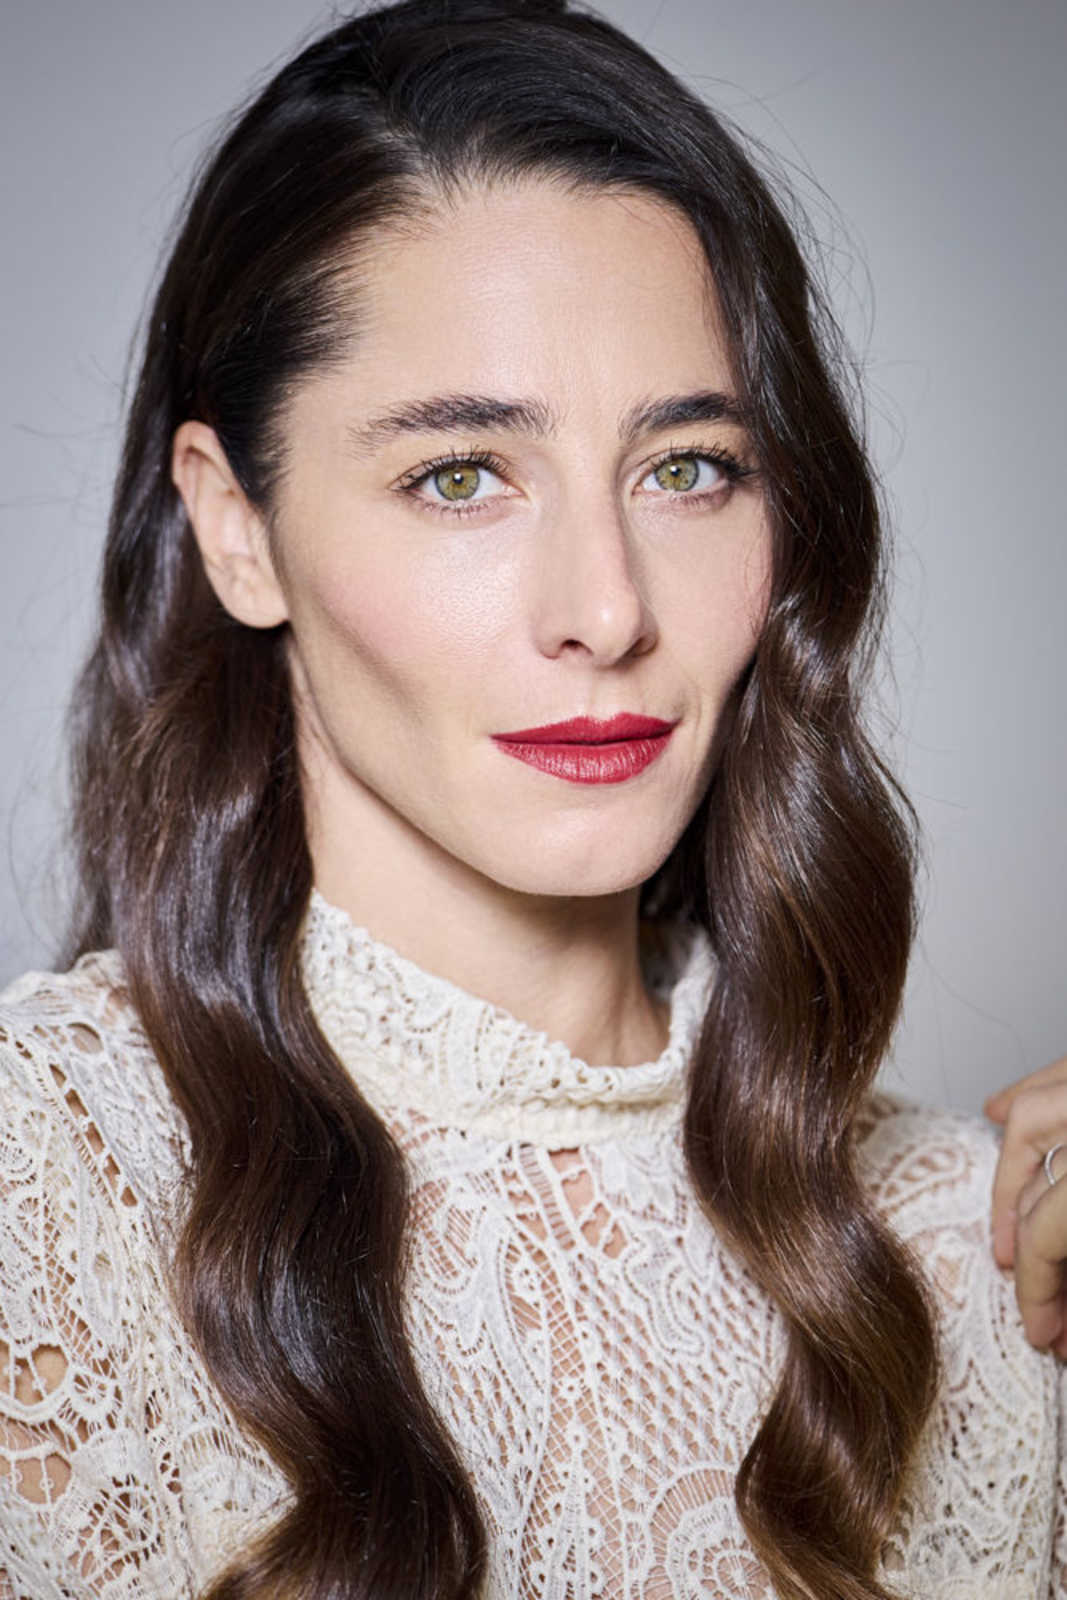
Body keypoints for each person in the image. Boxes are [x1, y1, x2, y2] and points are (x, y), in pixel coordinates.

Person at [0, 2, 1063, 1597]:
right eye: (460, 476)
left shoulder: (971, 1248)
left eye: (688, 468)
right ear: (237, 530)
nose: (606, 610)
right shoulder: (48, 1182)